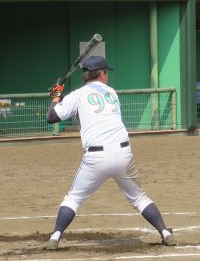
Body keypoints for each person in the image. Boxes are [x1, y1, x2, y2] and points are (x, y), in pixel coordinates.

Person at [44, 55, 178, 250]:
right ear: (102, 74)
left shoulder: (78, 95)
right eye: (106, 72)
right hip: (124, 154)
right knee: (139, 198)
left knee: (73, 199)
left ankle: (55, 237)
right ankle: (165, 232)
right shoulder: (112, 93)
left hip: (95, 157)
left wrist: (56, 97)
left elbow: (51, 117)